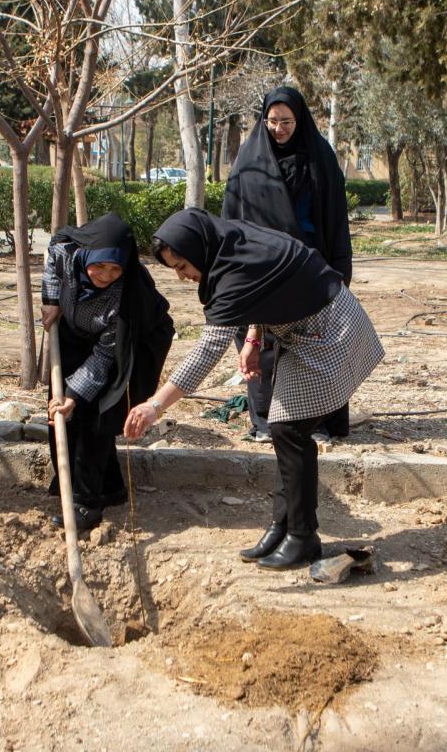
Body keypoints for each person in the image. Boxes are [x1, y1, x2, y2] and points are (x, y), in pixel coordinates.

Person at [124, 209, 383, 569]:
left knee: (290, 430)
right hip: (311, 328)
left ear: (198, 249)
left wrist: (155, 406)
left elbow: (208, 349)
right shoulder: (233, 247)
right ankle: (284, 526)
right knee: (285, 430)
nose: (182, 276)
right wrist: (253, 338)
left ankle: (303, 536)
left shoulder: (232, 270)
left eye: (182, 266)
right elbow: (267, 287)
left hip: (331, 331)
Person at [222, 86, 353, 445]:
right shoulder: (249, 160)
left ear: (300, 120)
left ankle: (316, 422)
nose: (279, 129)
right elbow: (233, 218)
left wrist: (339, 270)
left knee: (314, 345)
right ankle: (266, 420)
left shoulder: (320, 157)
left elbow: (336, 219)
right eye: (272, 121)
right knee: (261, 342)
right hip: (263, 266)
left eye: (287, 122)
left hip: (312, 265)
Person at [42, 213, 174, 531]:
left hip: (134, 339)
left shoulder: (125, 297)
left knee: (97, 414)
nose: (106, 275)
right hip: (77, 330)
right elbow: (52, 258)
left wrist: (75, 395)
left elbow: (104, 357)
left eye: (115, 268)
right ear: (86, 254)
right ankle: (105, 486)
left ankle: (86, 504)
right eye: (99, 266)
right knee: (59, 410)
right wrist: (51, 300)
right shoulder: (67, 252)